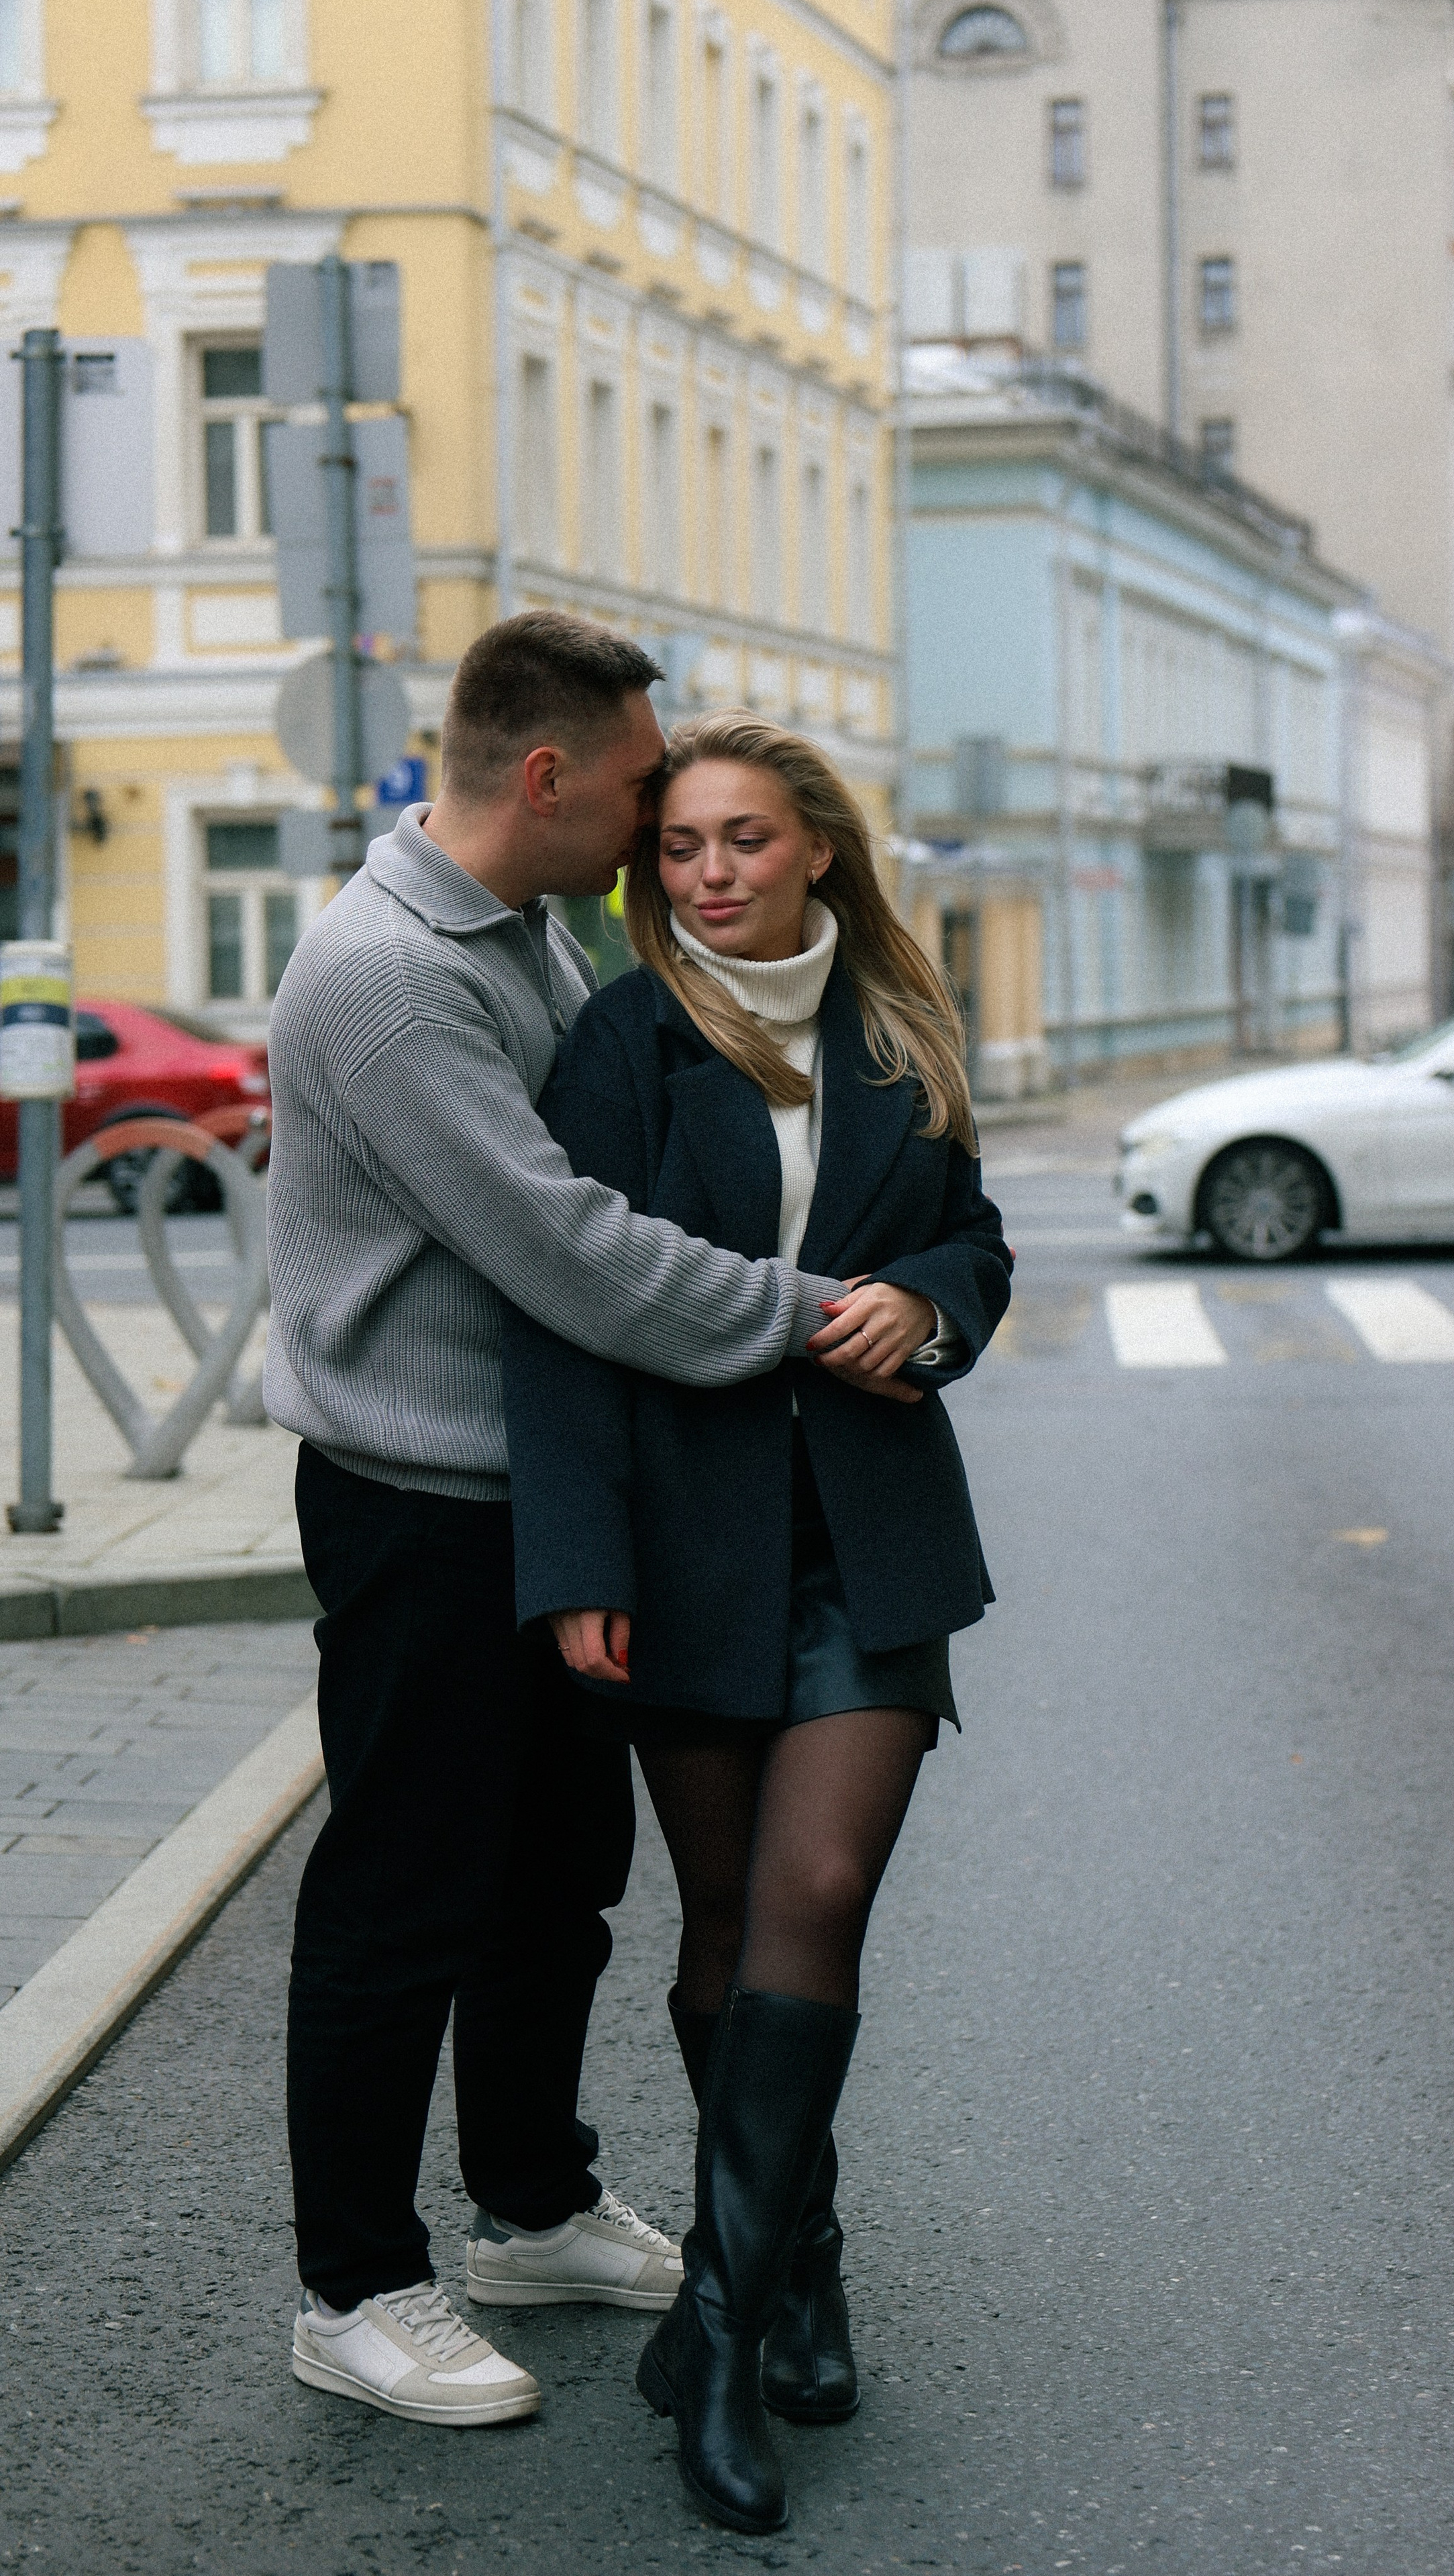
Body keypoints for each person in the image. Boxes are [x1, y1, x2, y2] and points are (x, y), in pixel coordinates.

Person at [264, 615, 912, 2429]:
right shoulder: (392, 976)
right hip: (418, 1502)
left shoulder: (529, 939)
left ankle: (529, 2203)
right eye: (640, 790)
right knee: (408, 1884)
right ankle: (355, 2284)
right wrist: (814, 1315)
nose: (656, 829)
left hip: (543, 1499)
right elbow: (573, 1249)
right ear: (543, 779)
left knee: (555, 1877)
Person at [501, 711, 1012, 2528]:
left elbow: (975, 1239)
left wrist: (929, 1309)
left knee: (814, 1896)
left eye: (745, 841)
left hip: (868, 1546)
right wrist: (574, 1565)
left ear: (817, 850)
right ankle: (805, 2257)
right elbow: (559, 1313)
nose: (711, 874)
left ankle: (713, 2336)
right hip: (687, 1547)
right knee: (723, 1925)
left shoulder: (895, 1030)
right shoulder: (622, 1042)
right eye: (686, 849)